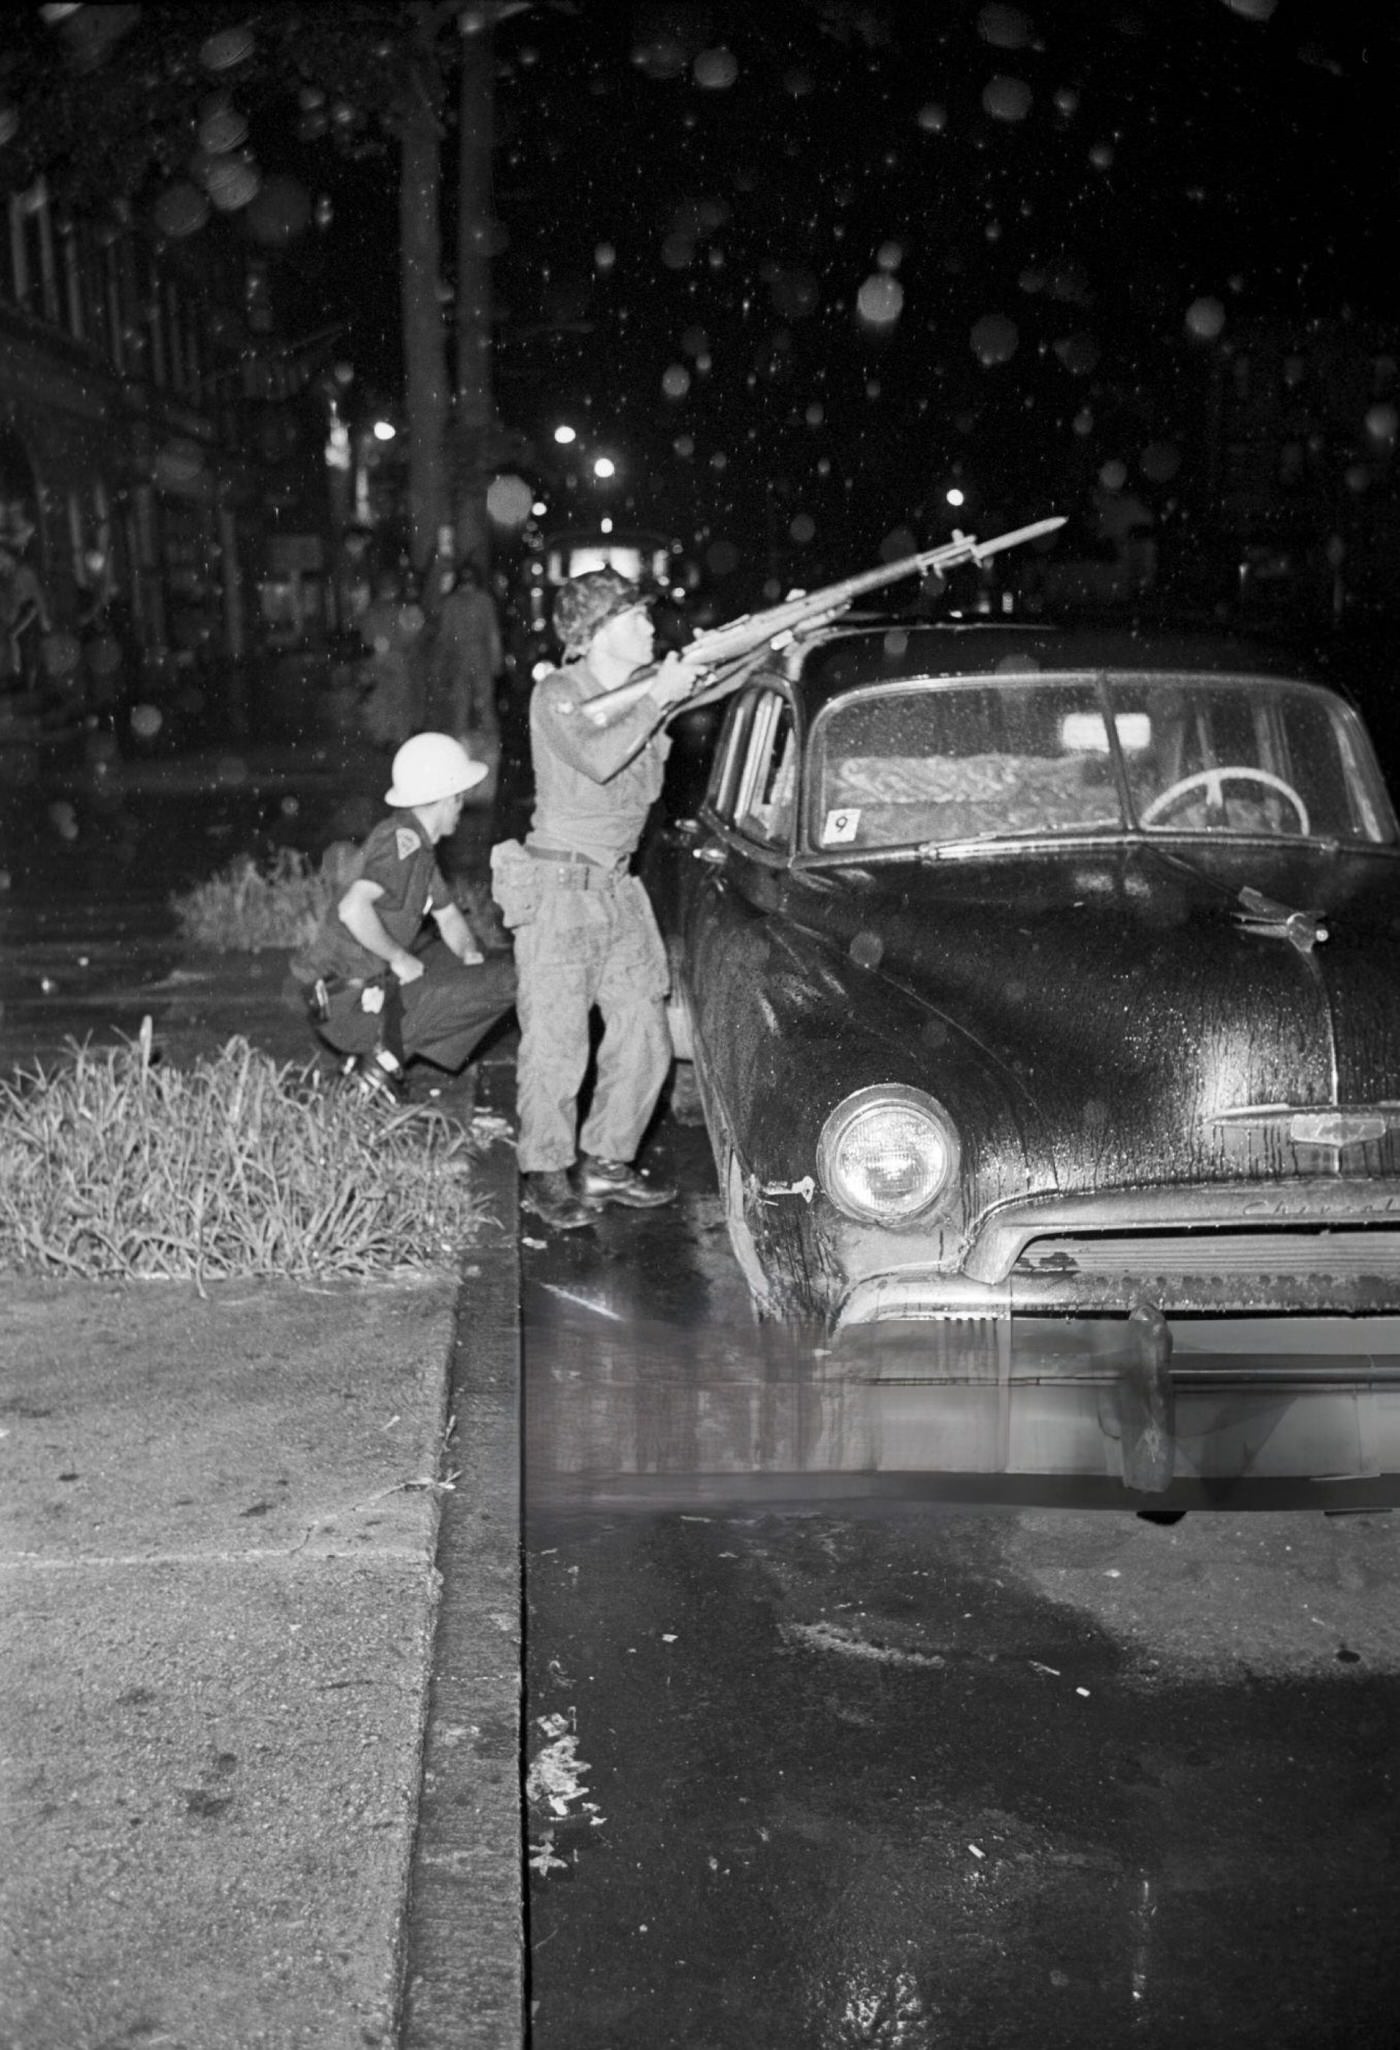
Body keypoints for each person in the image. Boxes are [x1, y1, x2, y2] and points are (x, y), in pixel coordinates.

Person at [490, 567, 699, 1229]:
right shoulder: (558, 693)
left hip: (616, 888)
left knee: (645, 1037)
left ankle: (606, 1163)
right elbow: (602, 757)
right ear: (598, 630)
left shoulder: (637, 692)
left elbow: (642, 783)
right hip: (559, 892)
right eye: (635, 618)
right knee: (557, 1045)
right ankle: (545, 1174)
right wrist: (658, 699)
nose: (649, 628)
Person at [293, 732, 516, 1101]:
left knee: (468, 967)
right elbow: (353, 908)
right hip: (349, 1003)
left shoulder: (417, 848)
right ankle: (378, 1063)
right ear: (444, 799)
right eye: (459, 798)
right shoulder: (402, 846)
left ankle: (371, 1055)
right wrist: (399, 959)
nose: (461, 808)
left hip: (343, 996)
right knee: (511, 979)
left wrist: (469, 954)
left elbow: (448, 918)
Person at [428, 560, 503, 797]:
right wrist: (495, 662)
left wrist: (441, 667)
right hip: (474, 657)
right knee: (481, 707)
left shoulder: (455, 603)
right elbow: (491, 634)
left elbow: (444, 638)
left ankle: (464, 756)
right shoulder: (481, 601)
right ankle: (480, 755)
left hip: (464, 658)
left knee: (463, 709)